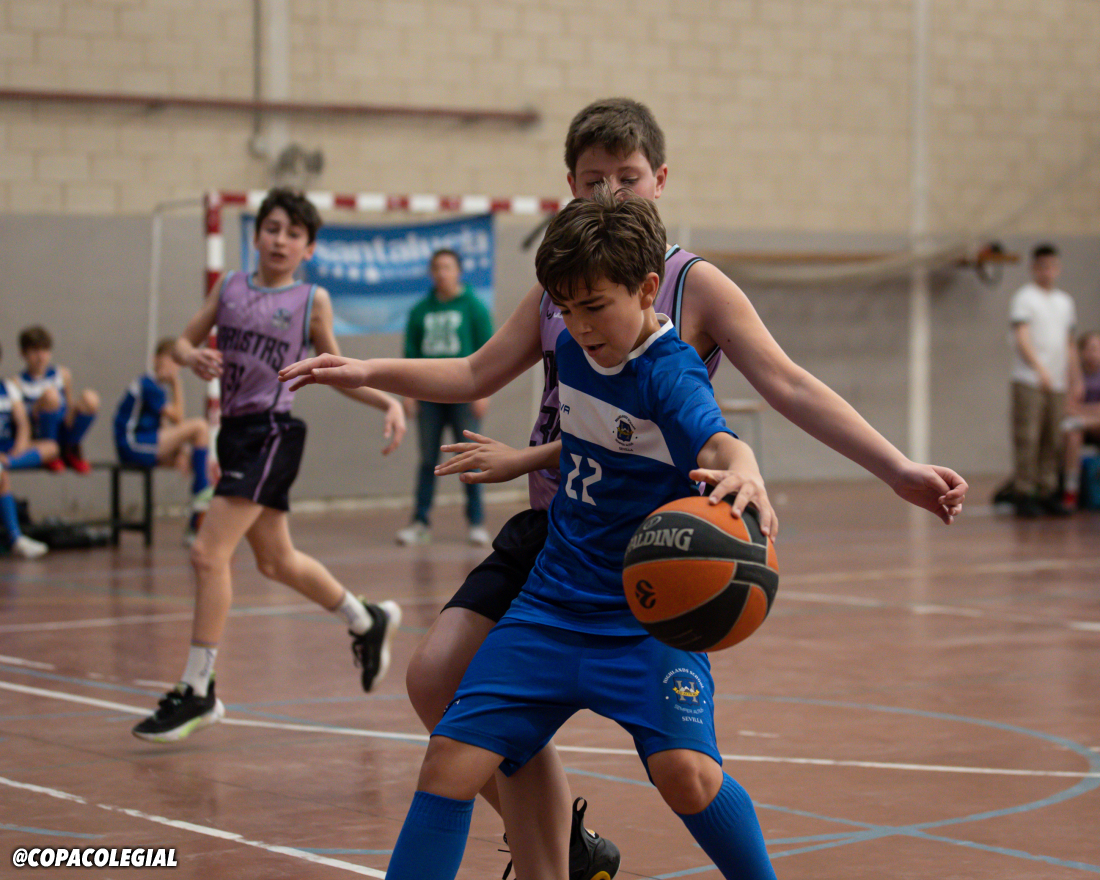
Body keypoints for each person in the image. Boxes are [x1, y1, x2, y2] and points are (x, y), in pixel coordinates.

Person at [281, 97, 968, 879]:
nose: (577, 323)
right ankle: (553, 856)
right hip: (557, 570)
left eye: (627, 177)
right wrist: (383, 378)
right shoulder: (575, 304)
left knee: (686, 776)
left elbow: (738, 413)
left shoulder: (675, 322)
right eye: (592, 179)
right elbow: (548, 405)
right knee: (448, 743)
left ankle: (574, 850)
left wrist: (781, 465)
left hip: (647, 577)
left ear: (657, 194)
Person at [131, 188, 408, 743]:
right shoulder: (229, 287)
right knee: (276, 562)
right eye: (273, 228)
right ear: (256, 235)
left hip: (272, 432)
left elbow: (334, 369)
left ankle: (198, 688)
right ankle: (366, 619)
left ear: (308, 248)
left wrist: (387, 401)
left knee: (208, 553)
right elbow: (180, 344)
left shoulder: (311, 300)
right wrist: (191, 356)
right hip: (235, 434)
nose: (281, 240)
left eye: (294, 234)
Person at [396, 248, 494, 547]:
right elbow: (410, 355)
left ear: (458, 271)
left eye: (447, 267)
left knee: (469, 457)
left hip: (464, 394)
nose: (442, 273)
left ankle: (476, 522)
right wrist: (408, 393)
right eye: (437, 267)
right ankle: (420, 522)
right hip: (427, 396)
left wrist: (485, 391)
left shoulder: (474, 307)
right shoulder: (419, 310)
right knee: (428, 460)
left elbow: (489, 351)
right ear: (431, 272)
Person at [114, 337, 214, 544]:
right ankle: (200, 493)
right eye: (170, 360)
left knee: (195, 461)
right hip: (132, 444)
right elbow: (178, 418)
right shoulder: (149, 384)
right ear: (156, 359)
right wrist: (177, 383)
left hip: (146, 442)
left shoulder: (157, 388)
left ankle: (195, 525)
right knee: (200, 427)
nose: (173, 367)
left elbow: (165, 428)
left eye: (177, 363)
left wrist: (179, 451)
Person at [1009, 243, 1080, 517]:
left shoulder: (1065, 302)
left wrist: (1074, 377)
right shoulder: (1025, 298)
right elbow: (1022, 337)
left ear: (1058, 268)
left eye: (1052, 267)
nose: (1047, 272)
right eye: (1042, 267)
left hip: (1058, 382)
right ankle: (1024, 491)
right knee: (1029, 436)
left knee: (1053, 437)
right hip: (1030, 380)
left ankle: (1047, 489)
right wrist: (1039, 368)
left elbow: (1069, 343)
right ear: (1034, 268)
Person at [15, 325, 100, 474]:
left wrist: (72, 417)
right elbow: (23, 420)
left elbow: (69, 406)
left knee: (90, 398)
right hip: (39, 434)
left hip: (62, 428)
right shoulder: (17, 382)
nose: (40, 356)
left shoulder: (62, 374)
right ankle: (51, 453)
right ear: (23, 353)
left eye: (45, 350)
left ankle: (71, 448)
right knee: (51, 396)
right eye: (35, 350)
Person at [0, 342, 56, 558]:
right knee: (2, 477)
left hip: (8, 449)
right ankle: (16, 538)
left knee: (51, 447)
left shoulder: (7, 387)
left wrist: (19, 448)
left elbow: (23, 424)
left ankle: (6, 463)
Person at [1062, 330, 1100, 508]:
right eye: (1090, 349)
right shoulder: (1075, 375)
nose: (1094, 354)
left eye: (1097, 349)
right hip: (1080, 425)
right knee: (1073, 435)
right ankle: (1071, 490)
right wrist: (1091, 412)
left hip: (1092, 423)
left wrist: (1084, 413)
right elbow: (1067, 406)